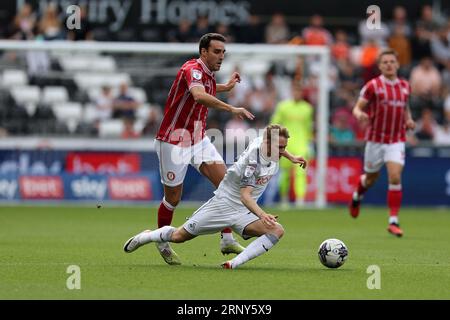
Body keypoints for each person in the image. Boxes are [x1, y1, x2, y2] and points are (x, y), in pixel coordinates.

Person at [124, 125, 307, 269]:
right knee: (179, 236)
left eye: (285, 147)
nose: (282, 151)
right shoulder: (254, 162)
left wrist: (291, 157)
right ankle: (147, 236)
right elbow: (245, 196)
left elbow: (278, 146)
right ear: (267, 143)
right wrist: (262, 215)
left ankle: (234, 263)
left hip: (243, 212)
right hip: (224, 205)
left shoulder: (267, 142)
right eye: (279, 147)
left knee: (277, 230)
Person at [153, 33, 255, 265]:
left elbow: (206, 87)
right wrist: (231, 108)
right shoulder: (192, 69)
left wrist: (225, 86)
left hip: (198, 140)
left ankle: (227, 239)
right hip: (173, 141)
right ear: (203, 52)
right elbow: (199, 95)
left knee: (227, 185)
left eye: (223, 52)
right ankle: (161, 240)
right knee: (173, 198)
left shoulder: (207, 75)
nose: (221, 57)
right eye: (216, 52)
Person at [349, 49, 416, 237]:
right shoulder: (373, 86)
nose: (389, 64)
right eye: (385, 62)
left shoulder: (405, 86)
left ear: (397, 64)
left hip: (396, 140)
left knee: (395, 176)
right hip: (375, 140)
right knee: (370, 179)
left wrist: (409, 120)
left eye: (392, 61)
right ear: (380, 66)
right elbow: (357, 107)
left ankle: (393, 221)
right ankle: (357, 195)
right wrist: (359, 114)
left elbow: (405, 108)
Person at [270, 81, 313, 207]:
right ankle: (284, 199)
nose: (297, 93)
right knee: (285, 174)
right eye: (295, 91)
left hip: (302, 144)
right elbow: (274, 123)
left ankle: (300, 200)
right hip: (286, 144)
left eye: (299, 91)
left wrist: (309, 144)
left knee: (301, 172)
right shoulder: (283, 107)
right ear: (291, 92)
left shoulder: (307, 108)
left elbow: (308, 127)